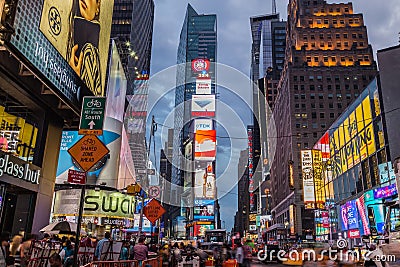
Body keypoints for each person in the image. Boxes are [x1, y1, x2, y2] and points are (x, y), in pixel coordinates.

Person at [68, 0, 103, 96]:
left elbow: (89, 101)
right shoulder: (75, 34)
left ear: (98, 6)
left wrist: (75, 77)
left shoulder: (89, 50)